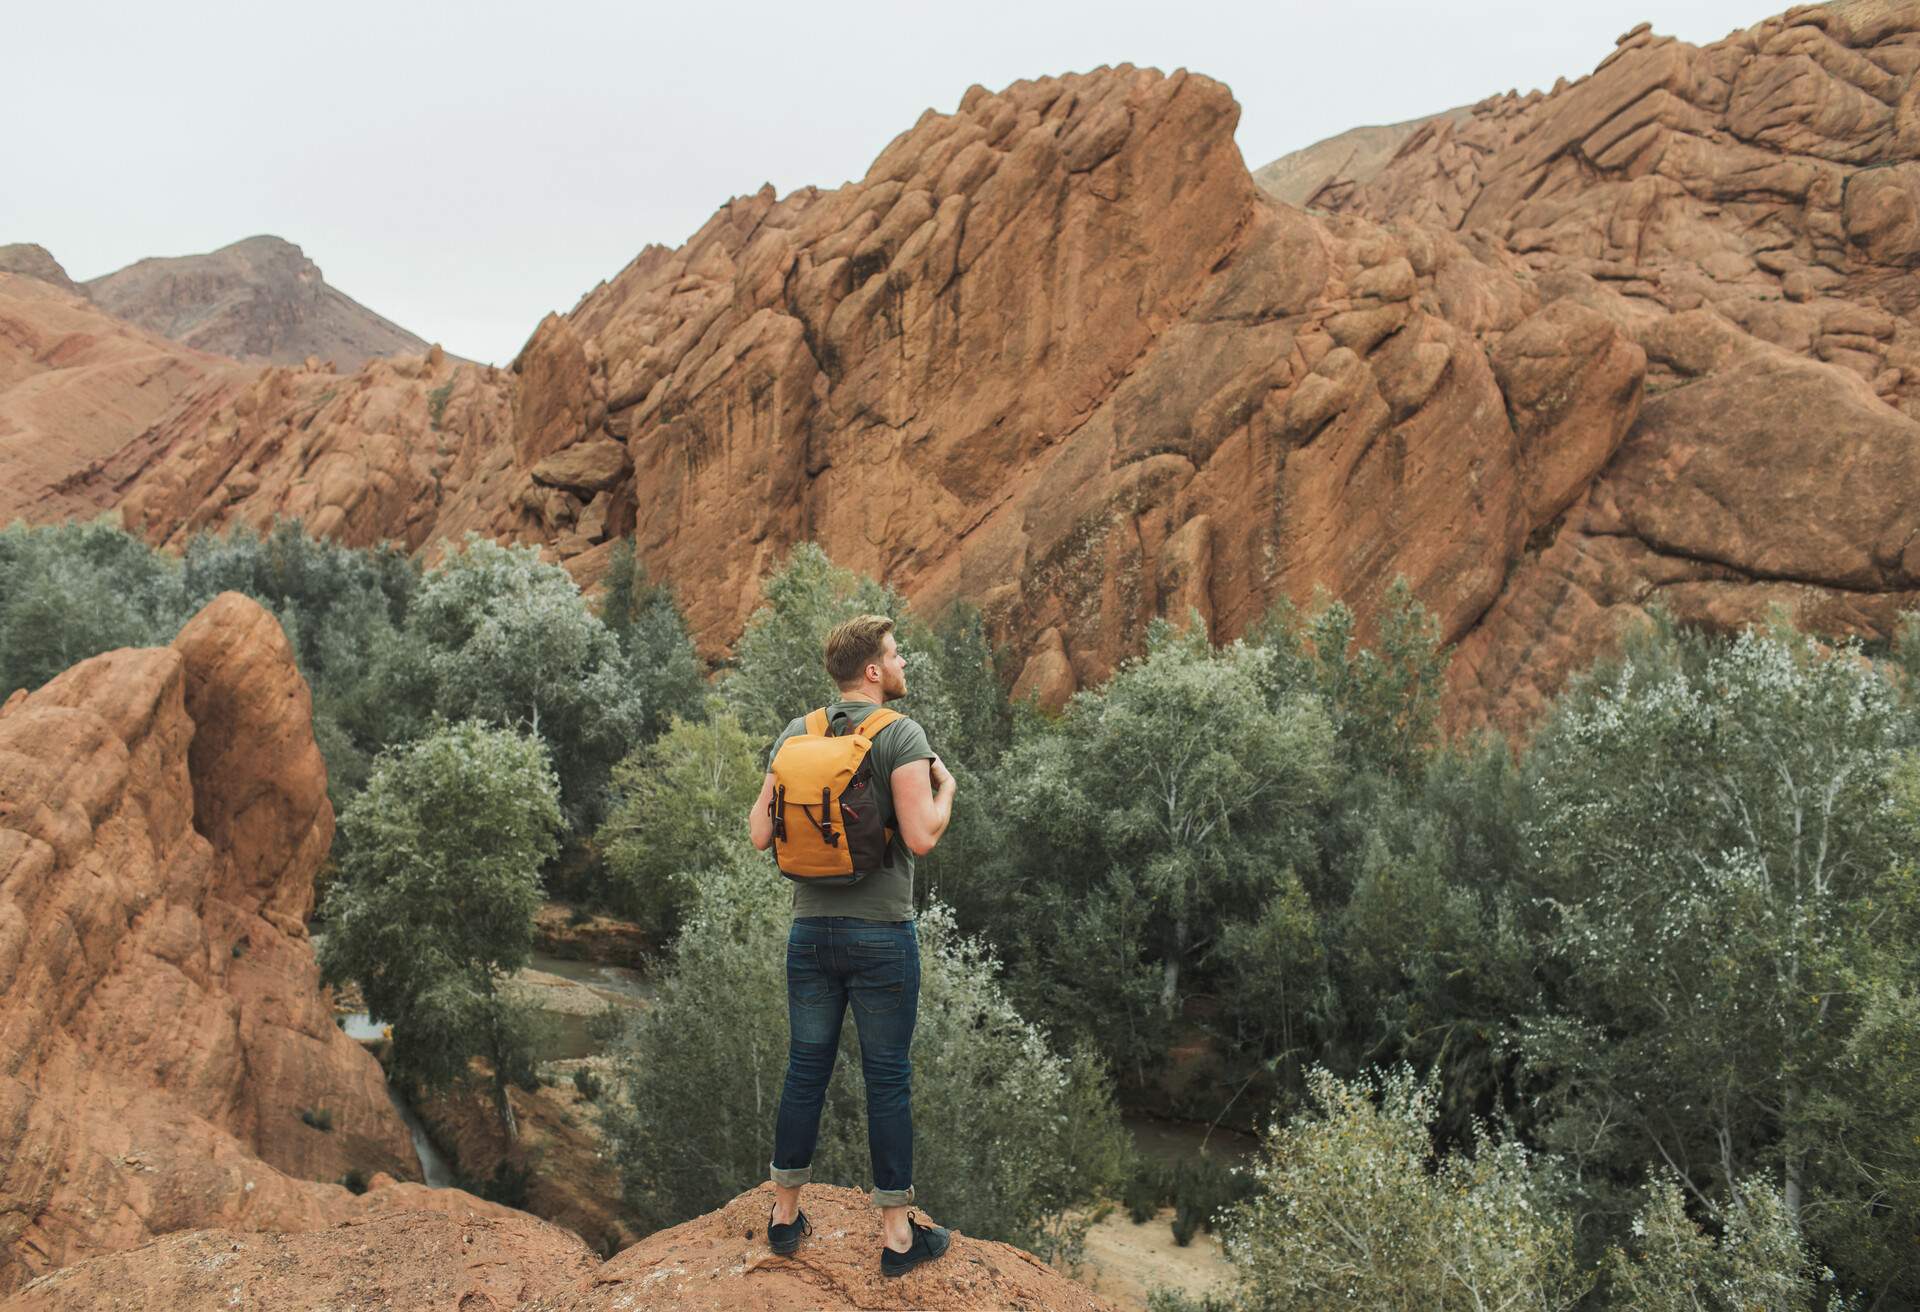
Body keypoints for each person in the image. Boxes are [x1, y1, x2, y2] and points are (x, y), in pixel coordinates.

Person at [747, 613, 958, 1277]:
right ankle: (897, 1236)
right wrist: (946, 791)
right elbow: (921, 836)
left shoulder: (796, 733)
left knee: (804, 1069)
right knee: (887, 1077)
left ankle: (784, 1218)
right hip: (880, 938)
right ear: (872, 669)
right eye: (896, 654)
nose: (902, 665)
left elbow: (759, 832)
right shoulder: (900, 735)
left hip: (810, 933)